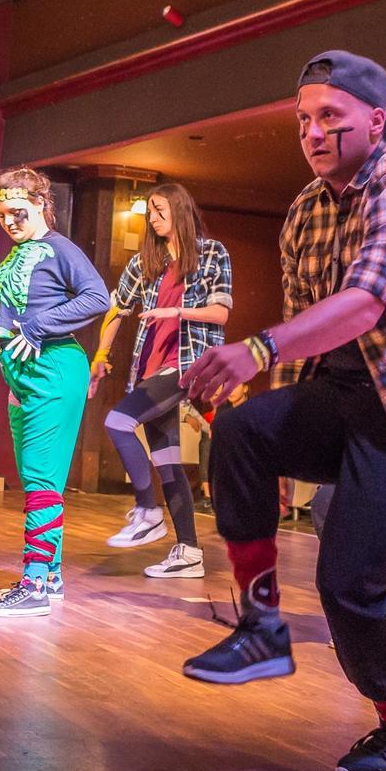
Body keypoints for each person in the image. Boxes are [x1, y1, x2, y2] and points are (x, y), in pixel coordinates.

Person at [179, 50, 386, 771]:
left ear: (375, 120)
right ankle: (262, 626)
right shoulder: (305, 209)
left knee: (349, 582)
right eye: (303, 119)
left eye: (329, 116)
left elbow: (363, 304)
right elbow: (310, 325)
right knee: (239, 431)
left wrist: (256, 350)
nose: (313, 132)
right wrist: (272, 431)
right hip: (346, 395)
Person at [0, 167, 108, 618]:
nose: (8, 221)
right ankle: (51, 576)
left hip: (53, 370)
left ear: (41, 205)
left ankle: (34, 585)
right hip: (23, 375)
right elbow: (32, 302)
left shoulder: (60, 248)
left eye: (17, 212)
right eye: (1, 215)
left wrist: (36, 327)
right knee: (36, 479)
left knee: (42, 479)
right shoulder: (20, 252)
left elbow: (97, 298)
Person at [89, 182, 232, 579]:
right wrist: (100, 356)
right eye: (149, 212)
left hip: (189, 364)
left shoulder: (211, 253)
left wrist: (176, 312)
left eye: (159, 210)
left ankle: (147, 510)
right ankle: (189, 552)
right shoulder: (145, 263)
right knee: (168, 463)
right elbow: (117, 310)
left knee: (119, 421)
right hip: (151, 370)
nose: (152, 218)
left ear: (179, 210)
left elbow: (221, 313)